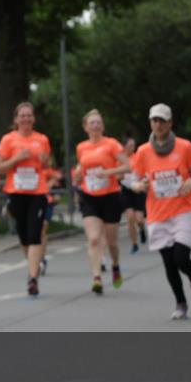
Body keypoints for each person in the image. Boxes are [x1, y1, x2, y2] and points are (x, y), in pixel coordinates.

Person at [131, 104, 191, 320]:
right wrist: (139, 186)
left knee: (181, 257)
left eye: (162, 120)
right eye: (154, 120)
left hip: (183, 210)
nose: (158, 124)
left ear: (170, 123)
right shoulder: (143, 151)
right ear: (150, 123)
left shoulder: (184, 146)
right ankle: (180, 302)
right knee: (169, 262)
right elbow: (133, 180)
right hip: (157, 214)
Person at [0, 102, 51, 296]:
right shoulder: (8, 140)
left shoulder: (42, 139)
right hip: (16, 193)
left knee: (35, 234)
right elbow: (0, 168)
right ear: (16, 119)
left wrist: (45, 161)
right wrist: (16, 159)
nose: (26, 119)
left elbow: (47, 165)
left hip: (37, 192)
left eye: (29, 115)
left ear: (33, 119)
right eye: (22, 116)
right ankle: (34, 265)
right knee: (24, 235)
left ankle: (32, 278)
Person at [73, 110, 130, 294]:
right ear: (85, 127)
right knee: (94, 239)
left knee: (112, 242)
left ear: (103, 126)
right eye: (92, 123)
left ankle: (115, 265)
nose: (96, 125)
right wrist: (78, 175)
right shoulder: (81, 147)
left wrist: (107, 173)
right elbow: (80, 171)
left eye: (98, 122)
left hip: (110, 196)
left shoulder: (111, 144)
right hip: (89, 196)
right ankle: (96, 277)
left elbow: (128, 166)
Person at [120, 137, 147, 254]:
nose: (132, 148)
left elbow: (144, 172)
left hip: (138, 189)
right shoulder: (120, 159)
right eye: (130, 145)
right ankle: (134, 243)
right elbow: (116, 175)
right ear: (124, 146)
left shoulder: (138, 157)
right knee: (130, 217)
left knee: (139, 219)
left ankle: (142, 229)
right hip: (126, 190)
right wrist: (121, 174)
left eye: (133, 145)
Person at [39, 163, 63, 276]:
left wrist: (54, 182)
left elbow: (59, 179)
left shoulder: (49, 171)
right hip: (33, 201)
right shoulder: (32, 169)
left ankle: (42, 259)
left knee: (43, 228)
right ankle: (35, 257)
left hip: (47, 202)